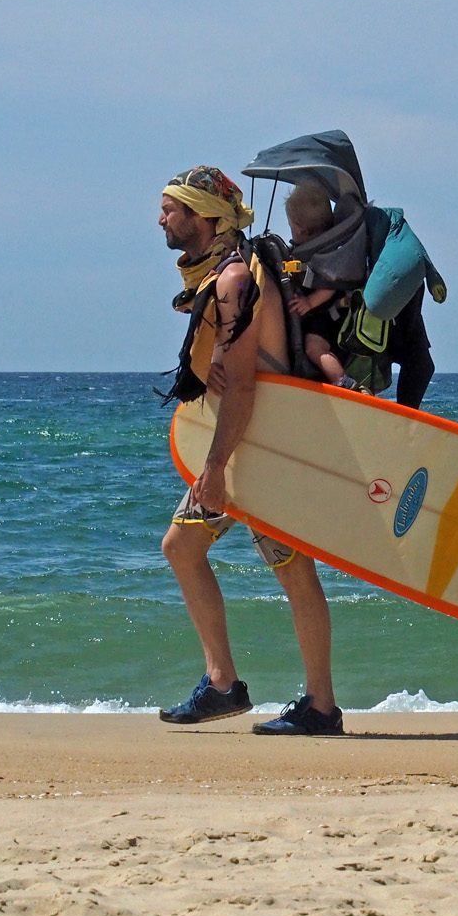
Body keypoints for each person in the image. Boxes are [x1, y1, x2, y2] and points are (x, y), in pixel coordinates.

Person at [155, 166, 344, 735]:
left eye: (172, 208)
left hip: (260, 447)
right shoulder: (223, 275)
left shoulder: (236, 279)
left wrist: (214, 468)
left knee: (292, 569)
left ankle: (321, 706)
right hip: (243, 443)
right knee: (183, 548)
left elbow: (243, 385)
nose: (161, 218)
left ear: (203, 216)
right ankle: (222, 685)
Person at [281, 183, 361, 391]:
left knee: (314, 347)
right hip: (317, 314)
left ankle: (343, 381)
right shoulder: (304, 251)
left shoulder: (326, 255)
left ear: (298, 227)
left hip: (328, 316)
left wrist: (309, 301)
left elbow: (331, 285)